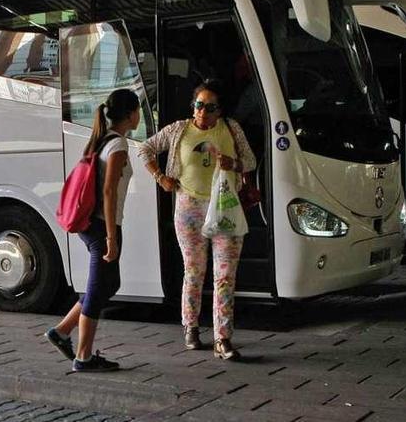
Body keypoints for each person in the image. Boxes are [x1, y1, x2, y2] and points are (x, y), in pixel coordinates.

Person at [138, 79, 256, 360]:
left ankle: (223, 338)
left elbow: (250, 161)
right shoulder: (179, 130)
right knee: (194, 271)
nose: (203, 112)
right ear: (193, 108)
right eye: (199, 105)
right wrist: (160, 177)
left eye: (210, 107)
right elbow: (145, 148)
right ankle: (190, 327)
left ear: (219, 110)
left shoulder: (231, 129)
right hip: (189, 207)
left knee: (225, 276)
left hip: (224, 206)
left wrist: (234, 163)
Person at [45, 89, 140, 372]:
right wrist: (112, 236)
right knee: (99, 289)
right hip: (101, 226)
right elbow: (109, 191)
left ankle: (61, 332)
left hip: (92, 224)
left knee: (109, 284)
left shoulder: (102, 140)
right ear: (131, 113)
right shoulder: (118, 145)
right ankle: (83, 357)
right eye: (137, 111)